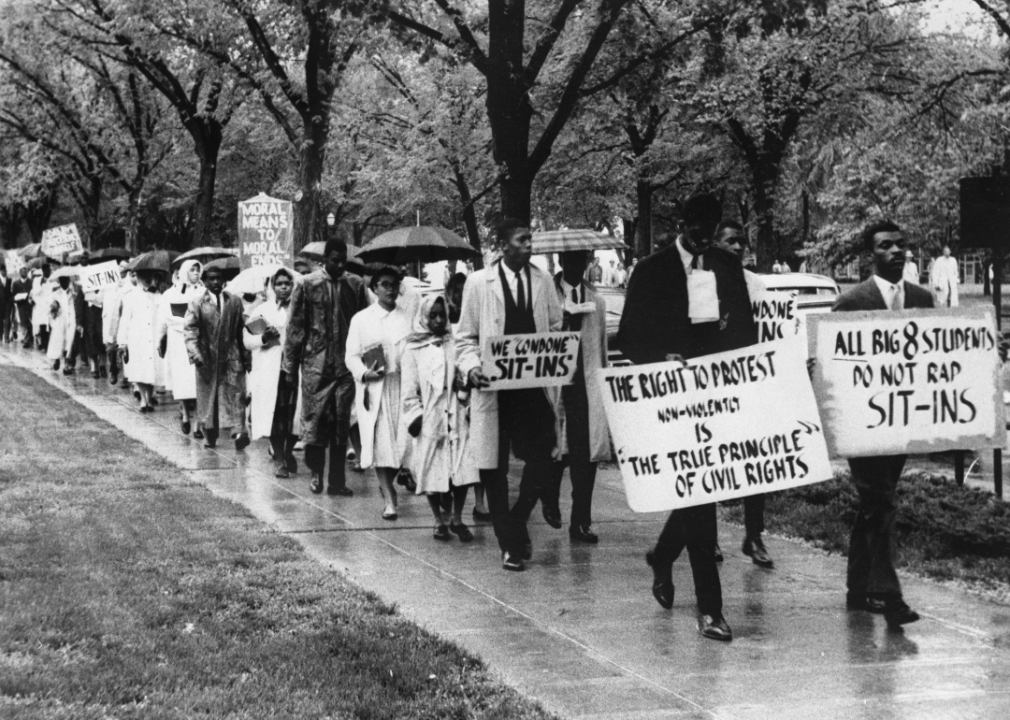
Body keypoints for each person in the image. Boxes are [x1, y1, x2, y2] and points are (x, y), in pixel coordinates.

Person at [617, 193, 757, 642]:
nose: (703, 235)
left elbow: (746, 333)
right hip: (671, 401)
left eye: (710, 227)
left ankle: (662, 555)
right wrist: (662, 357)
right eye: (696, 225)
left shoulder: (725, 267)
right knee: (700, 497)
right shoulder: (651, 269)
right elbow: (628, 340)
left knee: (704, 492)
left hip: (717, 397)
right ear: (682, 221)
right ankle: (710, 610)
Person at [833, 220, 933, 630]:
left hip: (901, 422)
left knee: (874, 504)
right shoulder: (852, 300)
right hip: (862, 424)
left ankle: (857, 591)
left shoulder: (924, 299)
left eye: (900, 245)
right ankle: (889, 596)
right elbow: (833, 363)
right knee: (882, 501)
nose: (895, 251)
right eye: (885, 246)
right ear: (870, 255)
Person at [456, 218, 563, 572]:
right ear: (503, 246)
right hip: (494, 389)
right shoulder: (478, 283)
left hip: (532, 385)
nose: (530, 245)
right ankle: (508, 542)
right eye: (522, 239)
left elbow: (556, 326)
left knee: (545, 456)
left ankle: (517, 520)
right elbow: (465, 337)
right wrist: (471, 367)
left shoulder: (543, 280)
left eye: (530, 239)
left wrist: (557, 356)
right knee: (494, 466)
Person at [282, 235, 369, 496]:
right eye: (335, 261)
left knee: (341, 423)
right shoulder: (307, 285)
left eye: (343, 261)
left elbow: (366, 325)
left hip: (345, 367)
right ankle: (316, 473)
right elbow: (295, 327)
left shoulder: (356, 285)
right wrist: (289, 367)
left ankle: (337, 480)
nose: (340, 266)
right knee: (315, 423)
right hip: (315, 367)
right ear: (324, 260)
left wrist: (369, 364)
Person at [711, 220, 774, 568]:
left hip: (750, 384)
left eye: (742, 243)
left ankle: (754, 535)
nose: (738, 248)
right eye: (730, 241)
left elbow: (772, 331)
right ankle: (711, 538)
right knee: (714, 461)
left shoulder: (756, 285)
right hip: (715, 386)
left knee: (756, 462)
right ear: (716, 244)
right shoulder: (705, 281)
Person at [540, 249, 608, 544]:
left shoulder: (597, 300)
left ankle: (581, 521)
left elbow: (601, 346)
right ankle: (551, 499)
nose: (576, 266)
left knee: (585, 457)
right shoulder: (548, 297)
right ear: (561, 260)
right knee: (556, 450)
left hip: (585, 384)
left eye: (582, 260)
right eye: (570, 260)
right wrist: (563, 320)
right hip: (557, 383)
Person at [402, 294, 479, 541]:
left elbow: (463, 376)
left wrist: (463, 386)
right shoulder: (412, 349)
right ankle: (437, 519)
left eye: (441, 315)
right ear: (423, 317)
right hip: (430, 418)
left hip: (455, 413)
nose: (437, 320)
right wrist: (417, 416)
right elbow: (409, 389)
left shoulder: (453, 343)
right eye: (432, 315)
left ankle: (457, 517)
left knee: (463, 467)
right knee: (431, 469)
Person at [346, 265, 412, 520]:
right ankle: (388, 495)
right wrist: (364, 373)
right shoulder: (362, 319)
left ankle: (390, 481)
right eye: (384, 284)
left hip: (403, 386)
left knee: (403, 443)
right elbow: (351, 356)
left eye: (394, 284)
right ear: (374, 288)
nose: (390, 289)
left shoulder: (408, 317)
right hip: (376, 388)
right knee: (382, 443)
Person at [184, 262, 251, 450]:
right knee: (209, 398)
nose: (215, 282)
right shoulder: (197, 302)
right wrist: (196, 354)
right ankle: (210, 435)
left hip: (231, 355)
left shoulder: (234, 301)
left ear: (224, 280)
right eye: (211, 279)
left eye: (218, 278)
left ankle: (239, 433)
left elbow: (242, 327)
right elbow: (190, 330)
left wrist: (247, 357)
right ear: (204, 281)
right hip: (207, 357)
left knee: (237, 393)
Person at [245, 268, 300, 477]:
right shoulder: (262, 310)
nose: (284, 288)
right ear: (273, 286)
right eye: (279, 284)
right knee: (276, 416)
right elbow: (247, 340)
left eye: (287, 284)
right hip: (271, 370)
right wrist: (264, 338)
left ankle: (288, 450)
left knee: (295, 415)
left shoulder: (300, 308)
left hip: (295, 370)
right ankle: (279, 458)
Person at [445, 271, 490, 522]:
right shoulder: (445, 320)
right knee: (459, 450)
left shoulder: (477, 320)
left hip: (475, 388)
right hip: (454, 393)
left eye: (465, 291)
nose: (461, 296)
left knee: (479, 447)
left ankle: (481, 502)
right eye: (456, 291)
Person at [159, 260, 202, 434]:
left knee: (198, 381)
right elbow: (166, 318)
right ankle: (185, 414)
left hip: (198, 340)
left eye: (198, 270)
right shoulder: (170, 294)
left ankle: (199, 423)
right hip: (178, 341)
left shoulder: (203, 291)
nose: (195, 273)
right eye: (192, 270)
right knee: (182, 381)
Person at [118, 269, 164, 411]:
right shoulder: (130, 296)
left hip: (154, 335)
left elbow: (162, 317)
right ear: (137, 277)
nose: (146, 279)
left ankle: (150, 397)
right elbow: (124, 320)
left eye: (149, 276)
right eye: (143, 276)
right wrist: (122, 342)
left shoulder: (158, 295)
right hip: (137, 337)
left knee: (152, 368)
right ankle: (143, 399)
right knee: (140, 368)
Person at [46, 274, 76, 374]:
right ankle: (57, 359)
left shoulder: (73, 293)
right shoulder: (55, 294)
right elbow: (50, 310)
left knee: (70, 341)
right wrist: (54, 308)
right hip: (60, 321)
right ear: (59, 281)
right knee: (59, 340)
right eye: (62, 280)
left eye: (66, 280)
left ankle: (67, 363)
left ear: (68, 280)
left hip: (71, 320)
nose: (64, 282)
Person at [31, 263, 52, 352]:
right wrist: (41, 284)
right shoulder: (37, 280)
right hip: (42, 308)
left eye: (49, 270)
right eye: (46, 270)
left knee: (51, 326)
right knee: (43, 327)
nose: (48, 272)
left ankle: (49, 345)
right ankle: (44, 345)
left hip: (50, 306)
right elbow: (35, 293)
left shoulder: (53, 279)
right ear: (43, 271)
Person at [12, 267, 33, 348]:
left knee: (30, 322)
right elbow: (13, 296)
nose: (25, 273)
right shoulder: (16, 283)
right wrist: (17, 299)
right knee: (23, 322)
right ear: (20, 273)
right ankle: (26, 340)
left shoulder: (31, 282)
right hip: (21, 305)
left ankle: (30, 338)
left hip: (29, 304)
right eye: (23, 272)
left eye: (26, 272)